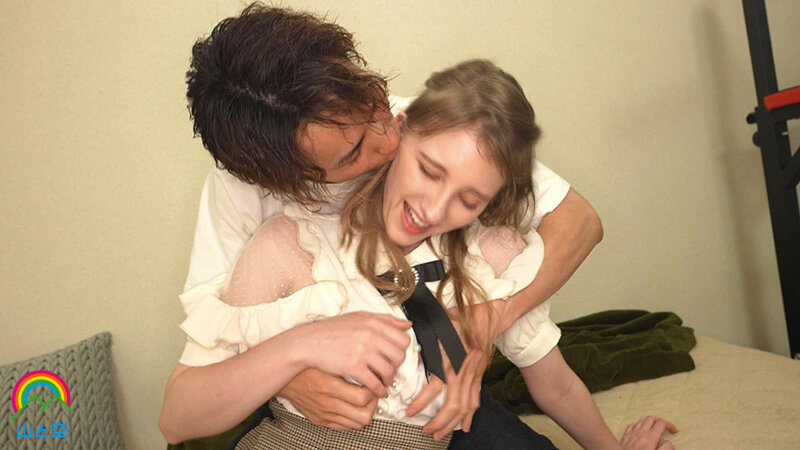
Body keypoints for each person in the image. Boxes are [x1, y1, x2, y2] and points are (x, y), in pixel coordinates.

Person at [159, 3, 672, 449]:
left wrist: (490, 318)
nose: (388, 137)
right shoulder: (277, 232)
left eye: (375, 106)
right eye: (354, 153)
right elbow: (188, 400)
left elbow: (579, 223)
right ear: (292, 184)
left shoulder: (437, 132)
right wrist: (292, 364)